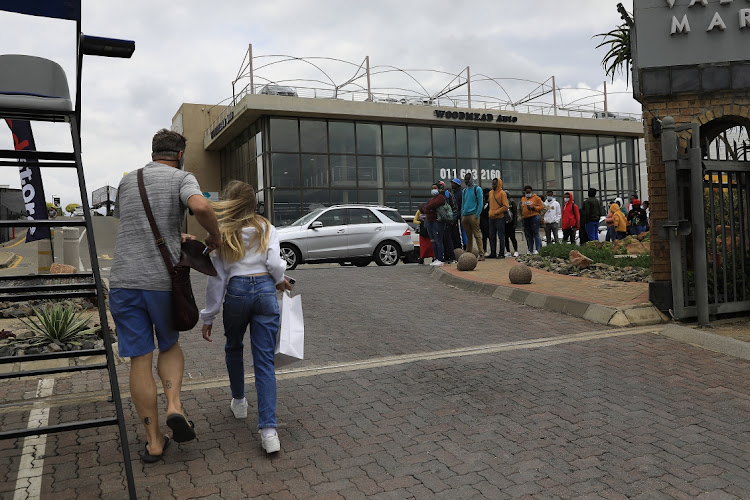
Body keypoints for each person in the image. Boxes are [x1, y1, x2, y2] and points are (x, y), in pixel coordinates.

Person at [109, 129, 221, 463]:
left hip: (124, 281)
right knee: (169, 344)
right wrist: (213, 235)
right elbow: (200, 205)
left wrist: (174, 233)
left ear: (154, 151)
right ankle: (174, 406)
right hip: (161, 281)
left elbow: (136, 224)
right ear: (180, 154)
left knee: (139, 358)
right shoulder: (181, 177)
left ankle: (154, 442)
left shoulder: (129, 181)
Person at [200, 181, 293, 454]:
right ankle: (268, 432)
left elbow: (217, 279)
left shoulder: (222, 232)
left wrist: (209, 315)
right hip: (265, 289)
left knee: (234, 346)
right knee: (264, 360)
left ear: (230, 202)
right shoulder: (267, 228)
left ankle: (239, 402)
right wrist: (279, 280)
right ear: (254, 203)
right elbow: (275, 264)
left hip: (237, 290)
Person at [419, 183, 447, 266]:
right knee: (433, 241)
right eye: (432, 188)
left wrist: (428, 208)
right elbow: (426, 209)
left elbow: (431, 206)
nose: (433, 190)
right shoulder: (431, 199)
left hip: (437, 222)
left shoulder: (440, 198)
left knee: (438, 240)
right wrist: (428, 209)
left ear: (439, 189)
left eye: (435, 188)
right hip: (430, 222)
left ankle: (440, 259)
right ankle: (436, 258)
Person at [460, 173, 485, 260]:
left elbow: (480, 203)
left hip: (474, 214)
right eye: (465, 180)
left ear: (471, 179)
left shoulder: (477, 189)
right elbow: (463, 203)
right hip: (465, 215)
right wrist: (462, 214)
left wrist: (477, 214)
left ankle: (481, 254)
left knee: (477, 235)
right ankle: (469, 252)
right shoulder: (464, 191)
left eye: (468, 179)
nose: (466, 181)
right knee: (468, 235)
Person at [487, 178, 508, 258]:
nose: (493, 185)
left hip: (500, 218)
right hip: (491, 218)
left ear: (498, 184)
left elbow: (506, 206)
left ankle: (501, 253)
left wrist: (496, 212)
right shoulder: (490, 193)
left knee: (501, 236)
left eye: (495, 184)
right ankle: (493, 252)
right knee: (492, 236)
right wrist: (490, 212)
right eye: (492, 184)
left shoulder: (502, 193)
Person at [520, 185, 544, 254]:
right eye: (526, 192)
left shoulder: (536, 198)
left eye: (529, 192)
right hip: (525, 218)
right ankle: (530, 249)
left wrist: (534, 208)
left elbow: (542, 207)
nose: (528, 194)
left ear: (531, 192)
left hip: (534, 217)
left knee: (535, 233)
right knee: (529, 235)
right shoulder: (523, 199)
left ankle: (537, 249)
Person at [438, 181, 456, 263]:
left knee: (448, 239)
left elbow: (454, 207)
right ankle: (446, 257)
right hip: (442, 220)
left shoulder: (447, 194)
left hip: (447, 220)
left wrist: (452, 219)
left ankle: (451, 257)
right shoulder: (438, 196)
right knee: (444, 239)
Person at [504, 190, 519, 257]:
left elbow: (515, 213)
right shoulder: (502, 202)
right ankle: (508, 251)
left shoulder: (512, 202)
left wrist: (515, 223)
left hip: (511, 222)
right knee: (505, 238)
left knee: (512, 237)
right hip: (504, 222)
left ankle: (516, 251)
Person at [449, 178, 463, 250]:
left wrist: (457, 215)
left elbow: (461, 206)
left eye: (454, 183)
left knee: (458, 234)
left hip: (458, 216)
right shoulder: (452, 193)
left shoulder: (460, 193)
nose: (452, 185)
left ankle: (459, 247)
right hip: (452, 216)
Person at [480, 188, 491, 256]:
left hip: (489, 220)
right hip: (483, 221)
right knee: (484, 236)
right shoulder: (483, 202)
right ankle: (484, 250)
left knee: (490, 236)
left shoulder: (490, 202)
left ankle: (492, 250)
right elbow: (482, 211)